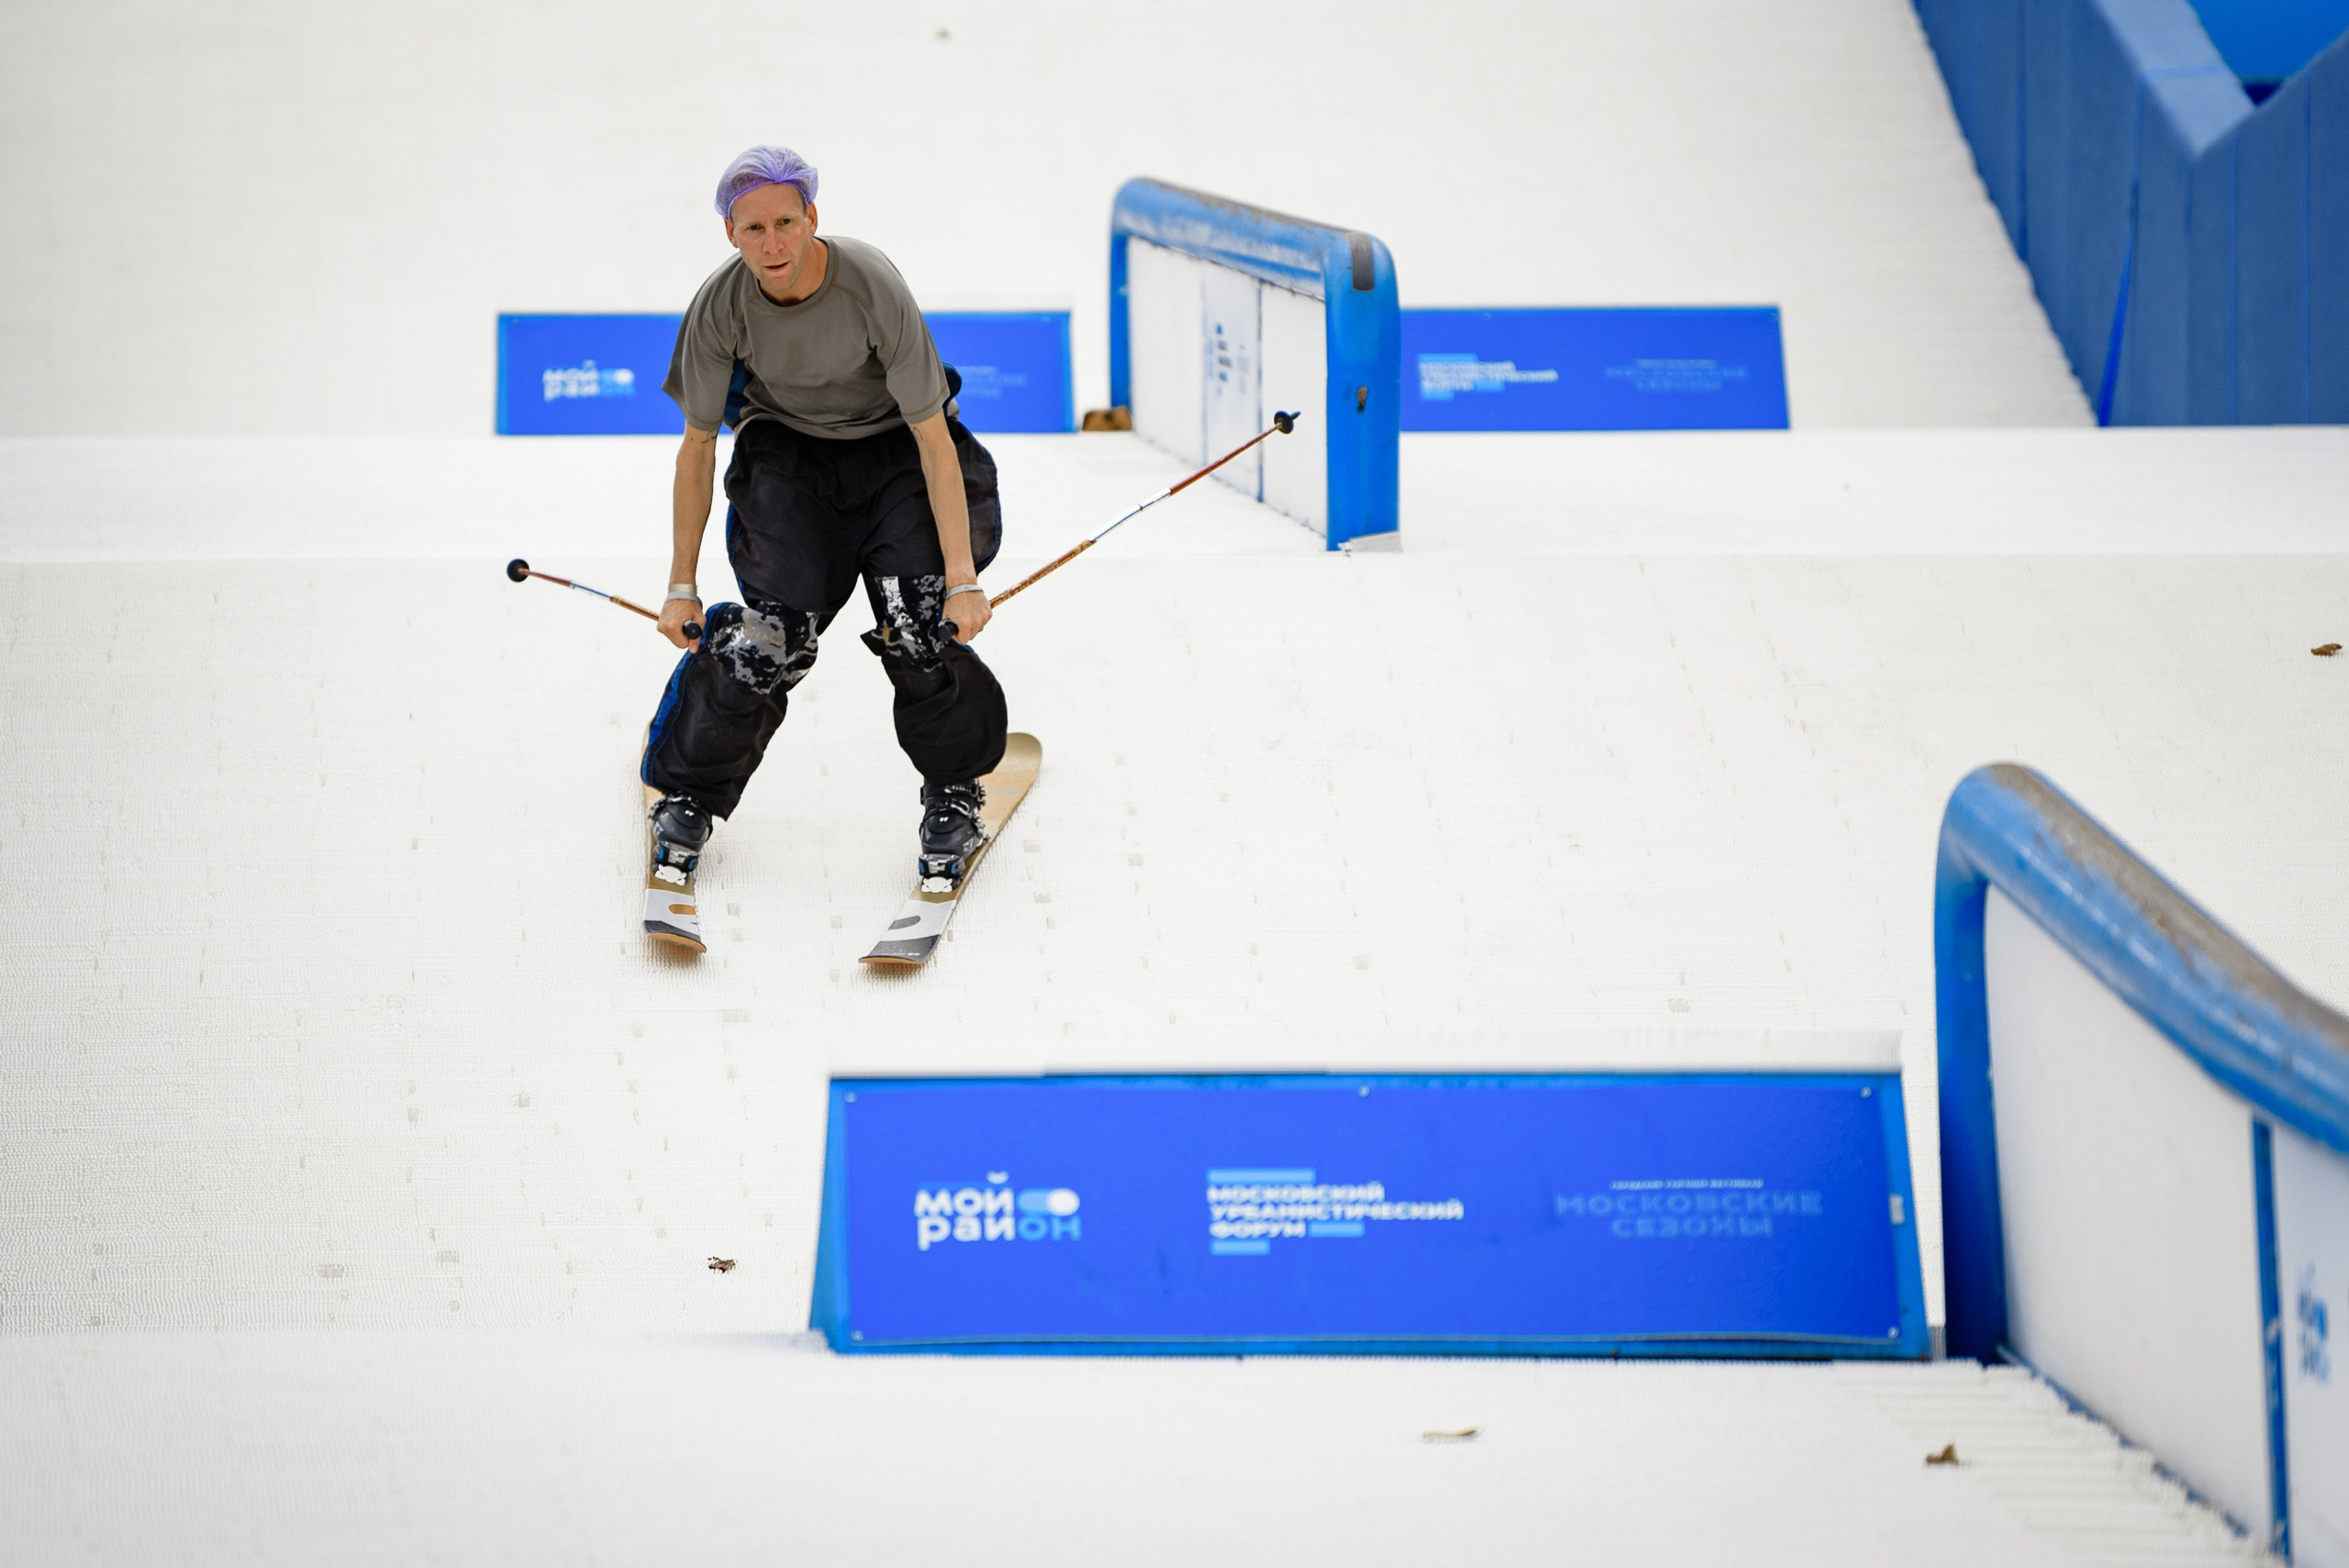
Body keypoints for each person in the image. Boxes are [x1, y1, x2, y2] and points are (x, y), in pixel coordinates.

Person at [640, 146, 1008, 933]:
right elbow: (698, 449)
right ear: (731, 234)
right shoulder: (720, 307)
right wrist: (680, 584)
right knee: (771, 638)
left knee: (921, 630)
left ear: (812, 218)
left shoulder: (870, 284)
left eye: (784, 222)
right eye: (752, 229)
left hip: (899, 453)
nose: (772, 243)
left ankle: (954, 790)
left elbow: (936, 441)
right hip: (791, 459)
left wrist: (962, 576)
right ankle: (688, 795)